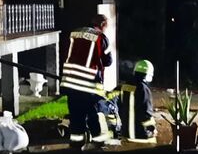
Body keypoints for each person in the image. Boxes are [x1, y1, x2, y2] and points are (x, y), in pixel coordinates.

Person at [60, 14, 114, 144]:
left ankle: (76, 142)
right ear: (102, 25)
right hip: (87, 83)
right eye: (107, 26)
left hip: (70, 81)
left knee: (75, 113)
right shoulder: (101, 38)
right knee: (92, 111)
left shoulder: (75, 33)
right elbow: (108, 61)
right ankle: (97, 140)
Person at [119, 60, 157, 143]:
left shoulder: (125, 86)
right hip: (140, 134)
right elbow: (147, 114)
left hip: (125, 132)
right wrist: (152, 129)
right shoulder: (144, 89)